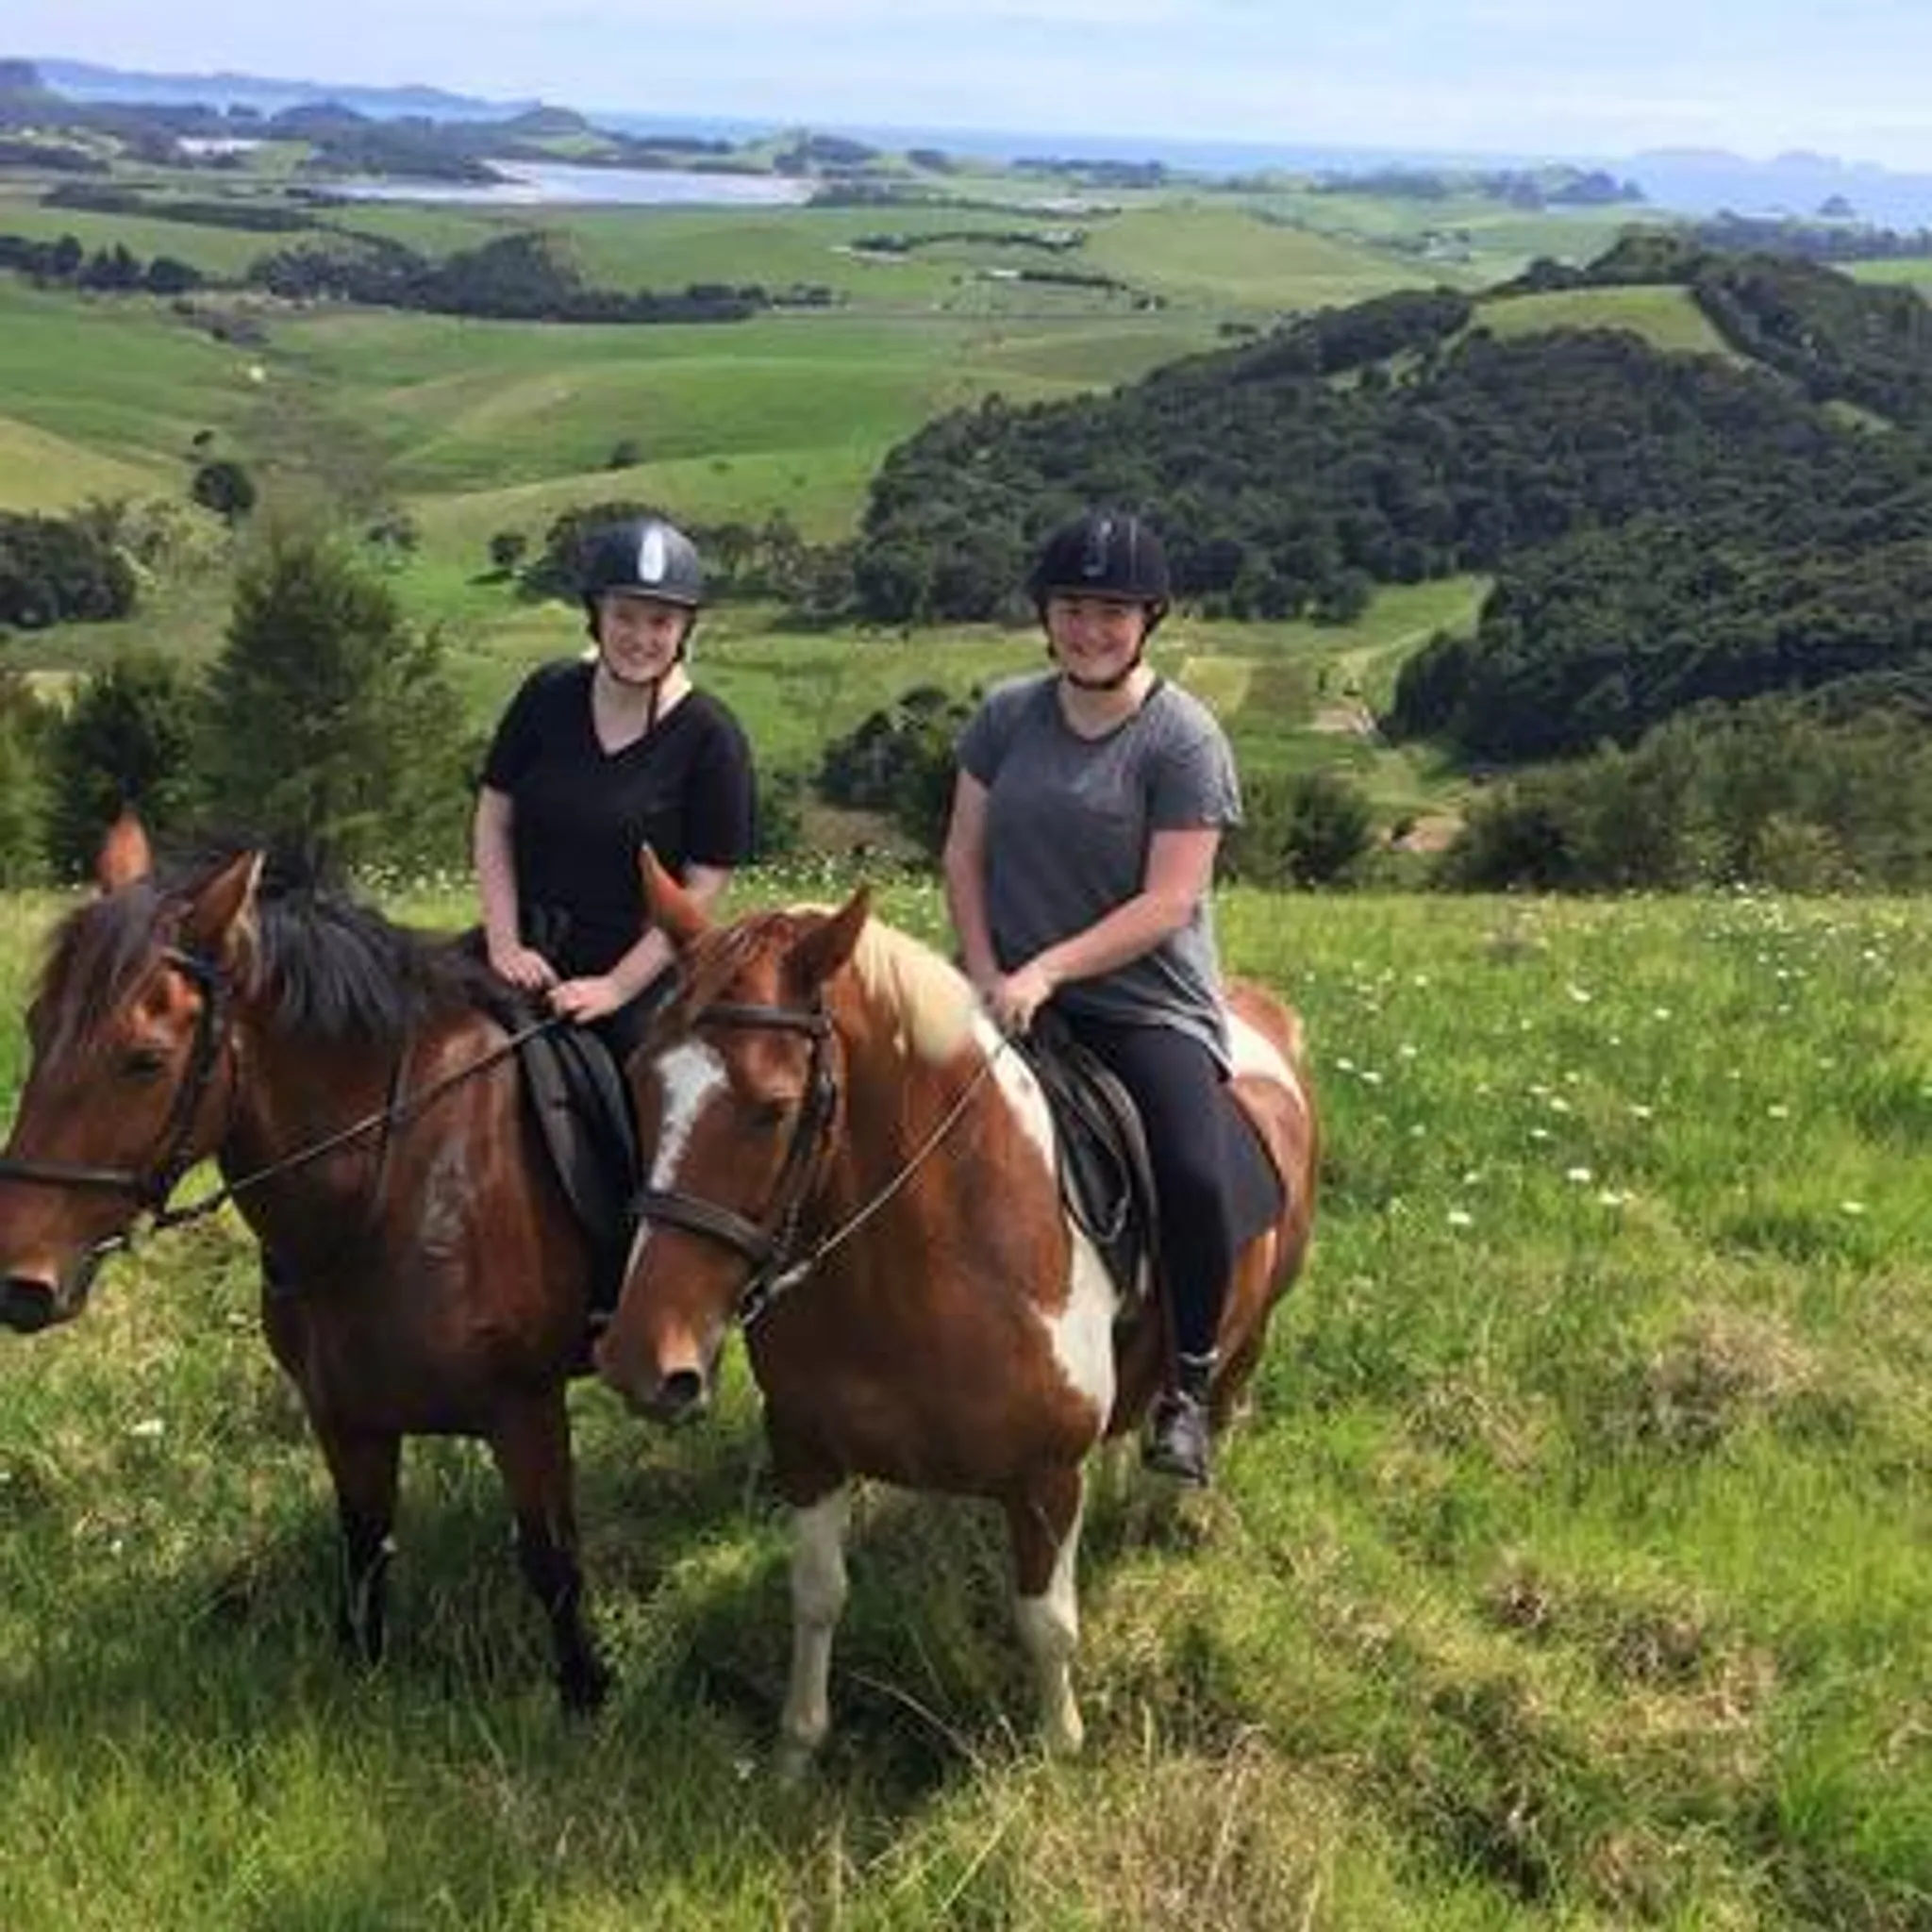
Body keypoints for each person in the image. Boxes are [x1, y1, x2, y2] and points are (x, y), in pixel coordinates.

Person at [942, 508, 1242, 1486]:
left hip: (1141, 1003)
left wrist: (1049, 971)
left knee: (1192, 1174)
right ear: (1045, 616)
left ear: (1147, 620)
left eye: (1112, 612)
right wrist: (985, 968)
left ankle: (1187, 1384)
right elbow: (963, 853)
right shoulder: (1005, 717)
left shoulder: (1182, 738)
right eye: (1072, 608)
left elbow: (1169, 901)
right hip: (1002, 986)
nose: (1089, 630)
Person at [474, 512, 756, 1060]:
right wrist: (504, 943)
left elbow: (702, 887)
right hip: (519, 950)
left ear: (684, 630)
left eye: (660, 622)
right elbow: (494, 816)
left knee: (648, 1093)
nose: (640, 638)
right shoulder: (547, 693)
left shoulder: (711, 738)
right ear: (596, 616)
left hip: (637, 973)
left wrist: (616, 988)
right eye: (624, 616)